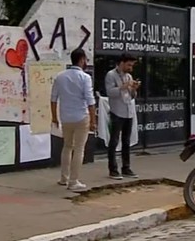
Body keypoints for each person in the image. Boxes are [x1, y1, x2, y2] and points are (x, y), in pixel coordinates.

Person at [50, 48, 96, 192]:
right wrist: (93, 121)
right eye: (85, 59)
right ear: (81, 60)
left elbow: (53, 98)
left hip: (65, 117)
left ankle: (64, 178)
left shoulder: (60, 76)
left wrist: (54, 117)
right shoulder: (85, 77)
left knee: (67, 146)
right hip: (81, 116)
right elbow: (90, 100)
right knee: (79, 148)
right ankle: (73, 181)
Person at [104, 53, 139, 180]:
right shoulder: (111, 75)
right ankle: (113, 169)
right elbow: (110, 92)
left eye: (132, 65)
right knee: (114, 141)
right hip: (117, 112)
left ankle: (126, 167)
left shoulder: (129, 76)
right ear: (122, 63)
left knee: (126, 141)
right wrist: (123, 87)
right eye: (129, 65)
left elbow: (132, 96)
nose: (130, 68)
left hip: (128, 111)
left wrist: (134, 89)